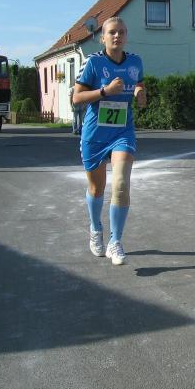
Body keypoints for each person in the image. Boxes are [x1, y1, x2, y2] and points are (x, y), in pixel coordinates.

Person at [73, 16, 146, 266]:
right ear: (102, 37)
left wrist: (140, 92)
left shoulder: (135, 62)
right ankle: (96, 228)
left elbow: (139, 84)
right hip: (95, 135)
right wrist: (105, 91)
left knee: (121, 183)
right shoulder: (93, 63)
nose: (117, 36)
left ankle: (115, 241)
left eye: (121, 32)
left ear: (126, 36)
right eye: (112, 32)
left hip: (122, 132)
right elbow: (76, 98)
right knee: (97, 188)